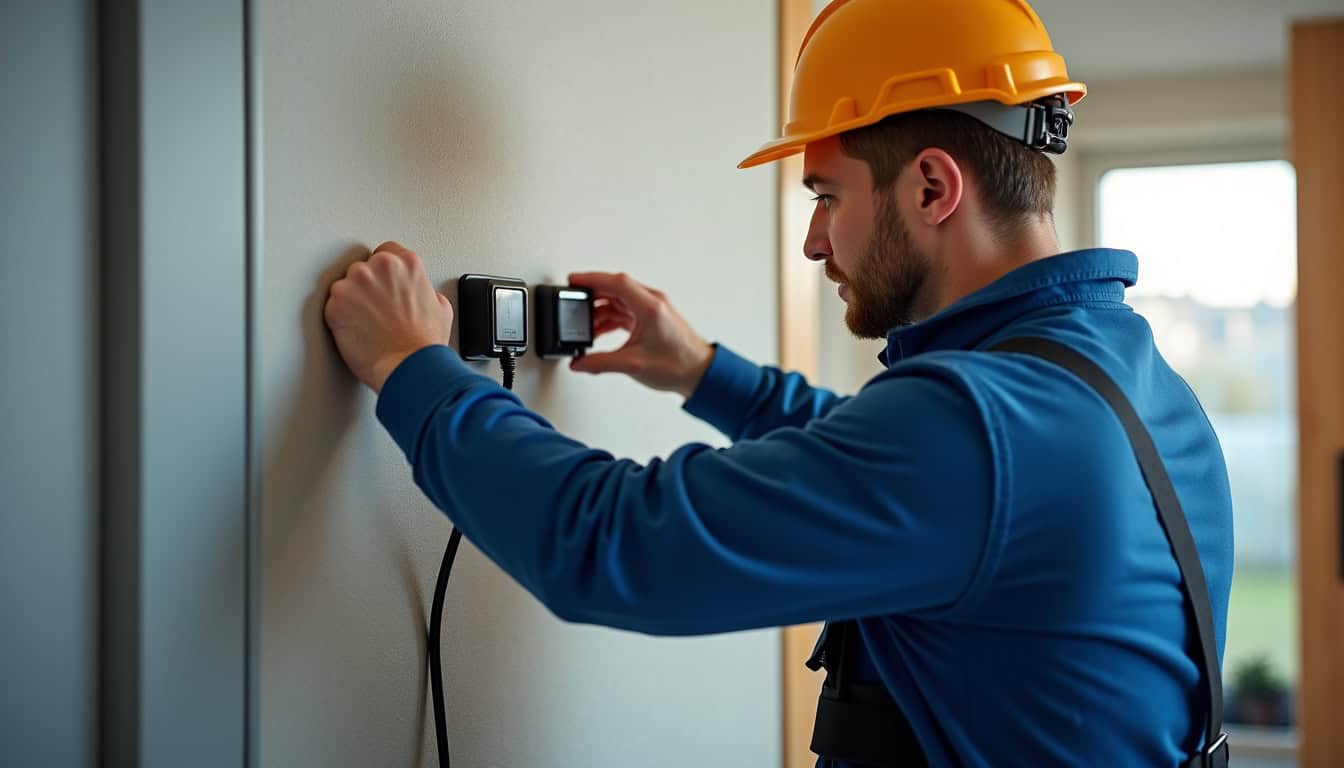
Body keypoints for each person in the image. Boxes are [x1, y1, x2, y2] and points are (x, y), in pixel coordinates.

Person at [322, 0, 1234, 765]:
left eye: (827, 197)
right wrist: (699, 370)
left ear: (931, 188)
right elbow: (890, 466)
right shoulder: (1136, 389)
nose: (812, 241)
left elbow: (612, 545)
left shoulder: (978, 429)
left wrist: (413, 368)